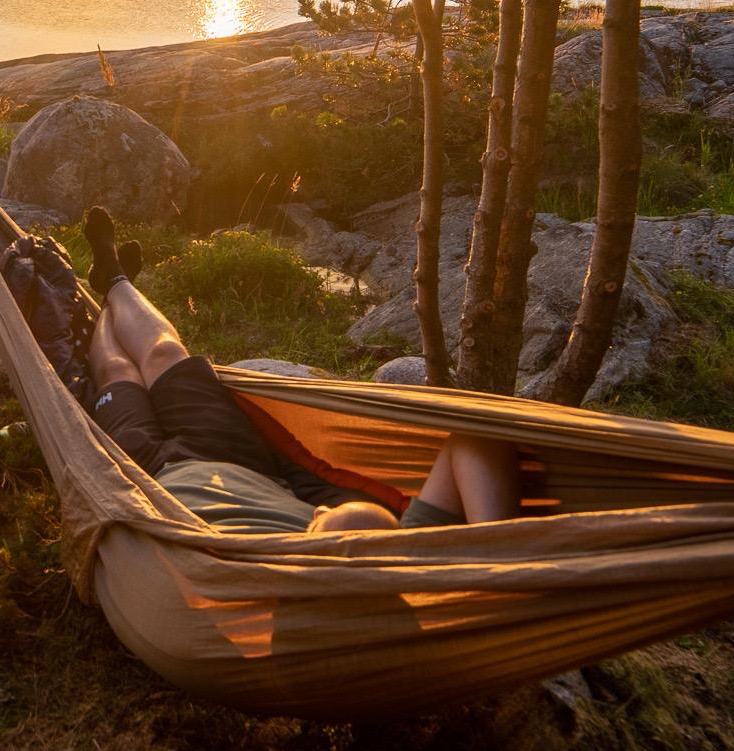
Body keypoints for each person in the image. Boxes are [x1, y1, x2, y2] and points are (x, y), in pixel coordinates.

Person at [78, 206, 520, 535]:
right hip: (240, 460)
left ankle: (102, 300)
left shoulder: (256, 574)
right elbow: (476, 438)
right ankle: (115, 277)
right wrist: (494, 557)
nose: (320, 509)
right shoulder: (418, 558)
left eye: (322, 521)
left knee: (117, 369)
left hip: (148, 477)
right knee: (163, 354)